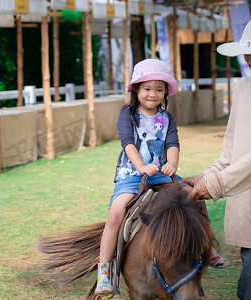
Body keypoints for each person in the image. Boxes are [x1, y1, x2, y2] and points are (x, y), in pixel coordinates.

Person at [95, 58, 229, 296]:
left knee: (195, 195)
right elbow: (128, 143)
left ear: (166, 91)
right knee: (116, 212)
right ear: (136, 89)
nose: (153, 94)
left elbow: (172, 143)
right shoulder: (128, 114)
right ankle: (104, 272)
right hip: (132, 173)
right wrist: (142, 166)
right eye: (147, 88)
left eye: (159, 89)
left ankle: (209, 248)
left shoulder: (167, 118)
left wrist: (172, 164)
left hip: (162, 175)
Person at [181, 20, 251, 300]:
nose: (248, 58)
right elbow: (230, 149)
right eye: (248, 52)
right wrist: (204, 177)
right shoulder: (242, 87)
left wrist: (216, 184)